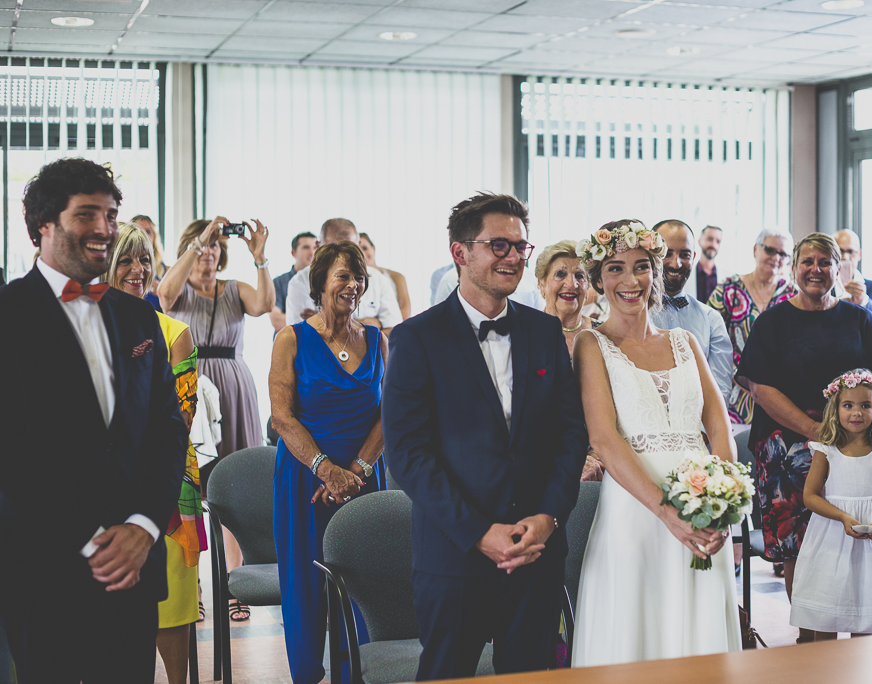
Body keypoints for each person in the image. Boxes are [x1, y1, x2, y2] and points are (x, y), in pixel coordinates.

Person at [382, 192, 588, 680]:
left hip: (537, 553)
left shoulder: (544, 332)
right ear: (460, 252)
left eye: (520, 246)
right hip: (454, 558)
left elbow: (571, 434)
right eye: (500, 245)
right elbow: (408, 454)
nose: (514, 257)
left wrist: (549, 517)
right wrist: (478, 533)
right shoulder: (416, 339)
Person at [0, 157, 188, 681]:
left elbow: (166, 430)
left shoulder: (138, 317)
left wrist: (143, 527)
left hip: (135, 566)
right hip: (45, 565)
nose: (104, 229)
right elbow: (12, 453)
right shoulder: (8, 316)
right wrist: (92, 539)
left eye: (110, 214)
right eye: (87, 214)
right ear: (43, 224)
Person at [571, 220, 740, 665]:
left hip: (702, 508)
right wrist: (668, 513)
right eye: (615, 269)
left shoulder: (685, 341)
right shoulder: (591, 345)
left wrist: (720, 503)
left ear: (656, 270)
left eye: (641, 267)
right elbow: (605, 440)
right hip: (636, 511)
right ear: (597, 278)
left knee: (698, 636)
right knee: (637, 637)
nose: (630, 281)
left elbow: (719, 428)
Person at [737, 232, 872, 644]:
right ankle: (813, 637)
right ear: (794, 268)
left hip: (853, 452)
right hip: (786, 449)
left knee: (854, 541)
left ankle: (861, 637)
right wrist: (819, 434)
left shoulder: (862, 319)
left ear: (839, 268)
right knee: (803, 550)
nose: (816, 270)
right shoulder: (773, 320)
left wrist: (850, 432)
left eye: (825, 262)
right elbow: (761, 386)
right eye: (807, 261)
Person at [270, 241, 386, 683]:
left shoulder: (377, 339)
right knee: (305, 580)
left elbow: (387, 414)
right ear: (319, 284)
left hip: (363, 477)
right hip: (304, 477)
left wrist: (355, 471)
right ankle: (306, 674)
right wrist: (325, 469)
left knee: (363, 578)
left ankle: (357, 672)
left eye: (358, 277)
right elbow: (282, 416)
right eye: (343, 276)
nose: (352, 285)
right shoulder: (292, 339)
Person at [158, 216, 274, 621]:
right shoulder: (179, 286)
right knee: (193, 488)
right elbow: (163, 295)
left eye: (214, 246)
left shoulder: (233, 290)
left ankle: (231, 585)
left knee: (230, 493)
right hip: (190, 385)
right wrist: (198, 240)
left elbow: (265, 304)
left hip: (234, 387)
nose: (209, 252)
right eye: (202, 246)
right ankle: (196, 588)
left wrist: (259, 258)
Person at [106, 223, 207, 684]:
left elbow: (180, 420)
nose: (137, 270)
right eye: (126, 260)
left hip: (167, 486)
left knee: (174, 607)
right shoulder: (87, 326)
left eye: (144, 260)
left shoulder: (174, 331)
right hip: (105, 490)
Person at [790, 369, 872, 640]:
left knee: (866, 613)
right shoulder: (826, 449)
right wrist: (843, 517)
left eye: (865, 405)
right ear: (835, 409)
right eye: (848, 405)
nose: (856, 412)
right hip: (832, 538)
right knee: (827, 613)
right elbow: (810, 496)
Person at [708, 228, 799, 425]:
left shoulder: (793, 294)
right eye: (770, 250)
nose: (776, 258)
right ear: (756, 249)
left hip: (780, 397)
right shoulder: (728, 288)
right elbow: (708, 339)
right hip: (732, 391)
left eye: (783, 254)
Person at [535, 240, 601, 482]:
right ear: (541, 284)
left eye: (580, 276)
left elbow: (620, 407)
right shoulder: (523, 335)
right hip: (539, 459)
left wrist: (596, 456)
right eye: (560, 274)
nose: (571, 284)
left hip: (600, 462)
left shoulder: (605, 337)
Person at [650, 220, 733, 401]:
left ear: (694, 257)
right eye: (666, 253)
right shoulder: (631, 316)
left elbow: (720, 392)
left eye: (685, 255)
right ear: (651, 255)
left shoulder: (712, 320)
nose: (676, 263)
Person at [285, 219, 402, 334]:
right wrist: (371, 324)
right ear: (319, 246)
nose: (342, 255)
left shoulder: (378, 279)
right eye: (333, 249)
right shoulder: (299, 281)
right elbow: (300, 334)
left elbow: (394, 332)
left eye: (359, 279)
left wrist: (323, 322)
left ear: (358, 245)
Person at [834, 229, 872, 337]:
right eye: (840, 251)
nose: (845, 257)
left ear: (859, 254)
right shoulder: (823, 288)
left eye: (850, 252)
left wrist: (865, 301)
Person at [271, 231, 316, 334]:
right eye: (306, 247)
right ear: (293, 253)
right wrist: (317, 320)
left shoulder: (327, 281)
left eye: (315, 247)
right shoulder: (279, 282)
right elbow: (276, 320)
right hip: (288, 344)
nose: (312, 252)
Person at [359, 232, 411, 320]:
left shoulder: (396, 277)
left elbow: (405, 313)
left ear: (373, 248)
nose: (362, 254)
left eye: (365, 248)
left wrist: (382, 323)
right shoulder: (355, 282)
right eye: (358, 250)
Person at [132, 213, 166, 311]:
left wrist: (162, 291)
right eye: (139, 231)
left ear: (154, 237)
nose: (143, 236)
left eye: (147, 232)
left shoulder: (167, 271)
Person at [696, 225, 729, 304]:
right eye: (709, 239)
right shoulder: (688, 275)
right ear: (699, 241)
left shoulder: (728, 278)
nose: (713, 245)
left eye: (718, 241)